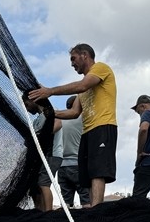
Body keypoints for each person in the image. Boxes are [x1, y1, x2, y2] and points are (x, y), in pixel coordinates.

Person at [29, 43, 118, 206]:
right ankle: (92, 206)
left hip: (103, 126)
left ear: (85, 55)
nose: (72, 64)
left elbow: (83, 85)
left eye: (73, 58)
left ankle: (96, 210)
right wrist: (47, 112)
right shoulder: (82, 90)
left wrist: (50, 91)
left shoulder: (100, 69)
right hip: (88, 131)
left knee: (98, 171)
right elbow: (73, 113)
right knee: (88, 174)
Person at [21, 93, 57, 210]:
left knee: (43, 183)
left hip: (50, 153)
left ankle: (48, 211)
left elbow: (58, 124)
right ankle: (40, 210)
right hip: (38, 156)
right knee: (34, 186)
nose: (27, 108)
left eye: (27, 104)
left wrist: (41, 137)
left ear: (33, 100)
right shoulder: (37, 119)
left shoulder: (49, 113)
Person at [57, 94, 91, 208]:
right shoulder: (82, 119)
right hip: (78, 165)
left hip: (61, 166)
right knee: (86, 202)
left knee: (66, 205)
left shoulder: (60, 121)